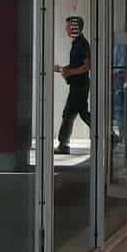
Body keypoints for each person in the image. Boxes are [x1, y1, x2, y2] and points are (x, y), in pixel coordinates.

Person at [54, 16, 91, 155]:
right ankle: (110, 135)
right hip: (78, 85)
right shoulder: (76, 44)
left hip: (80, 86)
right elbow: (76, 66)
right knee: (82, 114)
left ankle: (64, 145)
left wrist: (70, 72)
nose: (66, 29)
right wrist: (63, 69)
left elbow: (87, 66)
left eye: (69, 26)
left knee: (68, 114)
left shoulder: (82, 44)